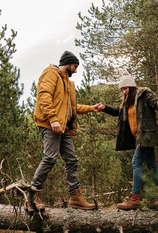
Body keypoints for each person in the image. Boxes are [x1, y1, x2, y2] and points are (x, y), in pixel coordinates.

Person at [28, 51, 102, 212]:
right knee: (50, 158)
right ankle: (32, 196)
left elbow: (71, 108)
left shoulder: (67, 84)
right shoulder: (51, 73)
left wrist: (91, 108)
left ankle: (75, 197)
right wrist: (53, 118)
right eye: (75, 67)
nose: (75, 70)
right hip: (50, 124)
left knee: (72, 160)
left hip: (63, 127)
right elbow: (44, 96)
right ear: (68, 63)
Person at [101, 72, 158, 210]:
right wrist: (104, 108)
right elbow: (117, 112)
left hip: (147, 135)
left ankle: (134, 198)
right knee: (151, 166)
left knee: (136, 162)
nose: (124, 91)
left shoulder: (144, 93)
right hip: (139, 138)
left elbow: (155, 103)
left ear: (131, 86)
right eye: (122, 89)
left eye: (126, 88)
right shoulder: (127, 102)